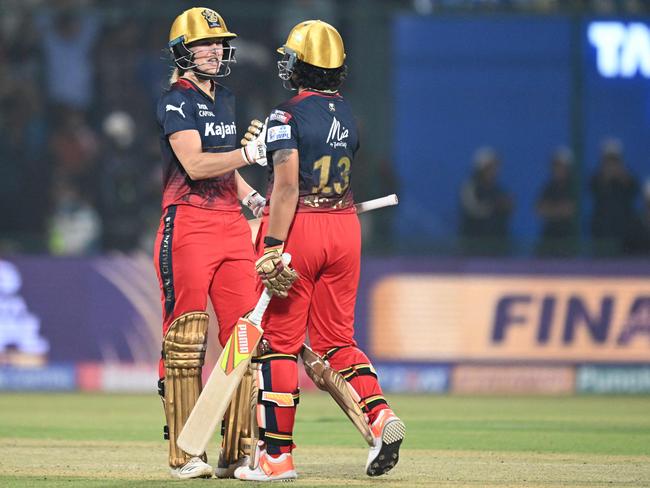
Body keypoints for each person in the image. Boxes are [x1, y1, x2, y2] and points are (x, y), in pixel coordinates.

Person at [234, 20, 405, 482]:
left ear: (301, 66)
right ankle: (380, 416)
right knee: (337, 342)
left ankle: (277, 457)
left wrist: (271, 245)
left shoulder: (284, 116)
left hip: (301, 230)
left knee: (278, 344)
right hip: (345, 227)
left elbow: (287, 187)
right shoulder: (348, 114)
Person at [154, 7, 268, 480]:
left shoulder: (227, 97)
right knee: (185, 340)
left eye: (220, 43)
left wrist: (250, 193)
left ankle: (237, 450)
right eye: (206, 43)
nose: (216, 50)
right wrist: (248, 152)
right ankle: (185, 454)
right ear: (183, 50)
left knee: (245, 337)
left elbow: (225, 165)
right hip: (188, 224)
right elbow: (197, 165)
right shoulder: (174, 100)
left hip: (229, 224)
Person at [459, 146, 513, 255]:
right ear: (480, 168)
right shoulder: (470, 187)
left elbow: (507, 209)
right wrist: (495, 205)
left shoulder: (498, 190)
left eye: (495, 166)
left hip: (497, 247)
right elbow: (472, 209)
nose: (494, 170)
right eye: (490, 167)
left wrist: (507, 206)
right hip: (473, 246)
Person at [590, 138, 640, 256]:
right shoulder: (596, 178)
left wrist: (621, 174)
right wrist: (606, 176)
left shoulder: (628, 178)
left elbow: (634, 190)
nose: (611, 164)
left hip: (624, 233)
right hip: (602, 231)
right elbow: (593, 189)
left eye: (614, 160)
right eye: (608, 159)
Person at [535, 146, 579, 256]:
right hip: (548, 238)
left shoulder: (573, 187)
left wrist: (551, 210)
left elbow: (569, 210)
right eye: (555, 165)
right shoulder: (548, 187)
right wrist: (558, 210)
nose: (557, 169)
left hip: (568, 239)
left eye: (561, 166)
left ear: (568, 168)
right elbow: (539, 210)